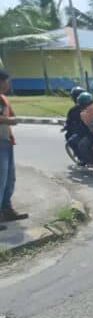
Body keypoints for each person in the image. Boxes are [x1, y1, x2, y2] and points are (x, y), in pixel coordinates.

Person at [0, 69, 28, 229]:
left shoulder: (4, 99)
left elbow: (11, 115)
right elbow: (7, 118)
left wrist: (11, 118)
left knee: (9, 179)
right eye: (6, 81)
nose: (8, 84)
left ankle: (6, 209)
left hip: (7, 141)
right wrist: (9, 120)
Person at [65, 86, 88, 158]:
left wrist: (66, 126)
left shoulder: (73, 110)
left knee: (70, 140)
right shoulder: (91, 106)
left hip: (84, 131)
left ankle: (81, 158)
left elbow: (69, 122)